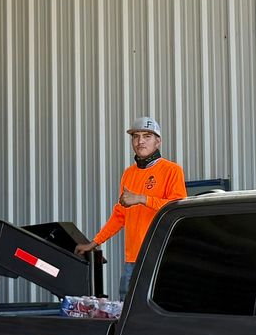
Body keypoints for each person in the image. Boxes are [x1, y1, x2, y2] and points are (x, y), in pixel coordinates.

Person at [75, 116, 187, 295]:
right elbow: (119, 215)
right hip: (133, 258)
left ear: (158, 142)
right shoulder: (129, 174)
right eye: (136, 136)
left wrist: (142, 199)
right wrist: (94, 243)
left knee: (159, 308)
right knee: (126, 309)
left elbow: (177, 208)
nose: (140, 141)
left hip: (160, 256)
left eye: (147, 136)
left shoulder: (171, 170)